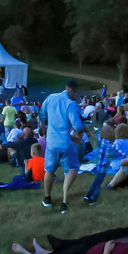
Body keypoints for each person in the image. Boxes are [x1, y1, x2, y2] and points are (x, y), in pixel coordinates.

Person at [41, 79, 86, 213]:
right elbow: (77, 126)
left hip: (52, 143)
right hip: (65, 144)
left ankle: (47, 198)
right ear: (70, 89)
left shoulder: (50, 98)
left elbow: (42, 115)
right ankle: (65, 201)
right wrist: (79, 137)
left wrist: (45, 129)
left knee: (49, 170)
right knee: (72, 169)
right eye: (75, 91)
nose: (75, 94)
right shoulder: (69, 104)